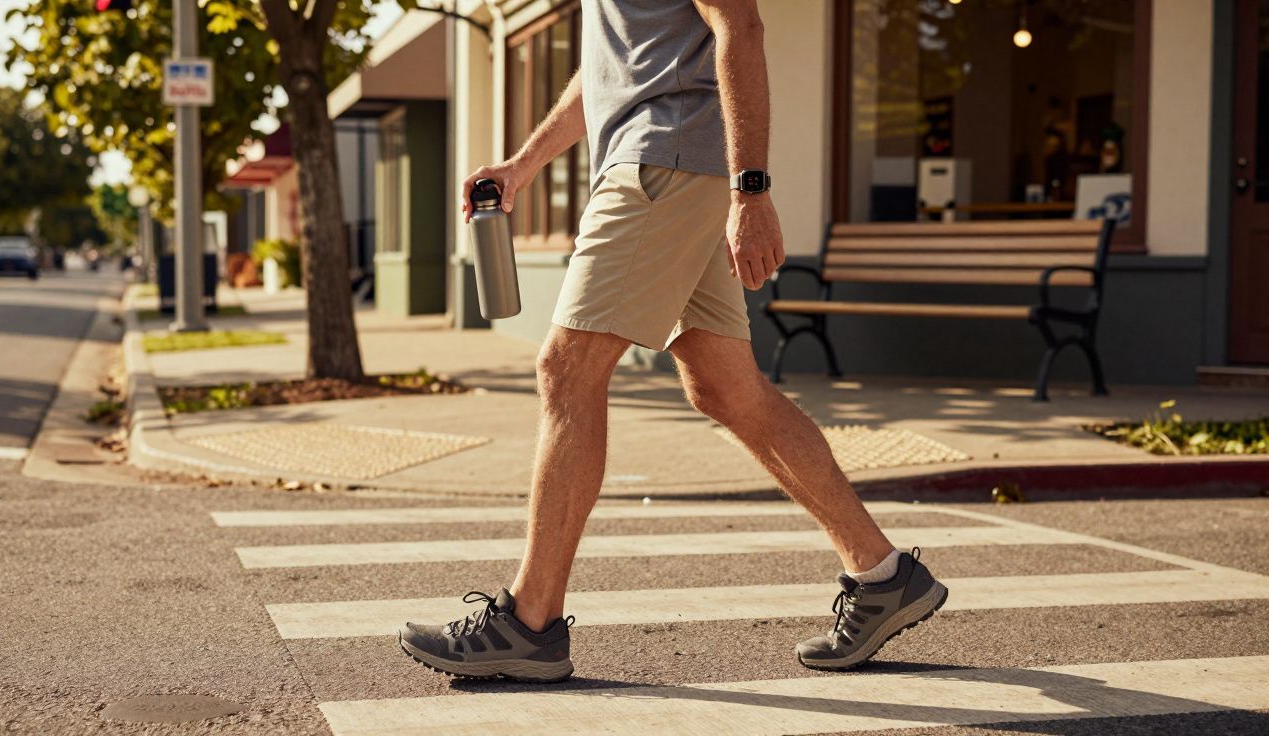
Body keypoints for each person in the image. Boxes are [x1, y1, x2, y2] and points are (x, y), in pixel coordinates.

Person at [398, 0, 947, 683]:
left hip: (665, 161)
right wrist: (525, 162)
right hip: (668, 164)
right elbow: (613, 67)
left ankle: (528, 623)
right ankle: (883, 574)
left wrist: (752, 190)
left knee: (566, 369)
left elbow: (740, 26)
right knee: (727, 390)